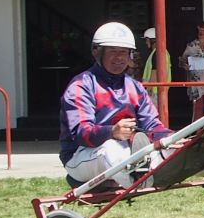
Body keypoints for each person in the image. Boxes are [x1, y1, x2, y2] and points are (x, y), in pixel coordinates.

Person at [60, 22, 171, 188]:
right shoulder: (81, 85)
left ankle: (144, 171)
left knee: (170, 146)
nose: (119, 58)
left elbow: (152, 126)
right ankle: (137, 180)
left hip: (127, 154)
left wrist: (172, 138)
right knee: (111, 148)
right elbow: (81, 133)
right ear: (96, 52)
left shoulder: (135, 87)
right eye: (113, 51)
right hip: (81, 155)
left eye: (124, 52)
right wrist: (111, 132)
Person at [140, 27, 168, 102]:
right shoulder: (161, 52)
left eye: (147, 40)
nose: (146, 42)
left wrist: (149, 88)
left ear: (153, 40)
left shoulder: (157, 53)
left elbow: (155, 72)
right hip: (158, 91)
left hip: (154, 92)